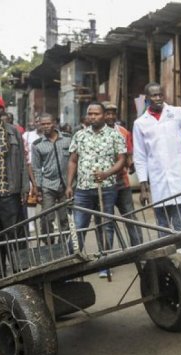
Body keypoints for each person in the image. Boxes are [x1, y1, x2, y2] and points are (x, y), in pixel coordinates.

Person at [132, 82, 181, 233]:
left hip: (179, 179)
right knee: (162, 224)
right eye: (154, 95)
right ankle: (166, 256)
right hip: (158, 181)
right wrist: (143, 187)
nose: (158, 98)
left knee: (180, 223)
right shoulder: (140, 123)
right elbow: (140, 156)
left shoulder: (176, 112)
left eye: (160, 94)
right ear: (147, 99)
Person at [66, 102, 126, 278]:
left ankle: (104, 263)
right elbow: (73, 161)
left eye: (96, 114)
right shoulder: (80, 135)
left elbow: (122, 160)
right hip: (83, 189)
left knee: (105, 225)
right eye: (90, 114)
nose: (93, 117)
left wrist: (107, 173)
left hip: (106, 189)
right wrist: (70, 185)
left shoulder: (115, 135)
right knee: (78, 226)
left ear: (103, 115)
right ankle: (71, 265)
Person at [0, 93, 29, 279]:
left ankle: (21, 271)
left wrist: (25, 187)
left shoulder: (13, 131)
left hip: (9, 192)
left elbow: (23, 163)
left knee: (14, 234)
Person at [104, 102, 142, 248]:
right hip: (104, 184)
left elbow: (129, 154)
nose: (111, 116)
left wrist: (130, 164)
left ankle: (139, 250)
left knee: (130, 217)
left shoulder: (124, 132)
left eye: (113, 113)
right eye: (107, 113)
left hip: (121, 183)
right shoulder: (94, 134)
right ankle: (105, 259)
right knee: (106, 220)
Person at [31, 113, 71, 243]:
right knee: (47, 218)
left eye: (48, 123)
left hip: (67, 185)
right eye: (43, 124)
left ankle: (63, 245)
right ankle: (49, 244)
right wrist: (38, 188)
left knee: (65, 218)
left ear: (54, 123)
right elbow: (36, 168)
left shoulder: (67, 139)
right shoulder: (37, 145)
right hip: (48, 185)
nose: (46, 126)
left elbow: (74, 161)